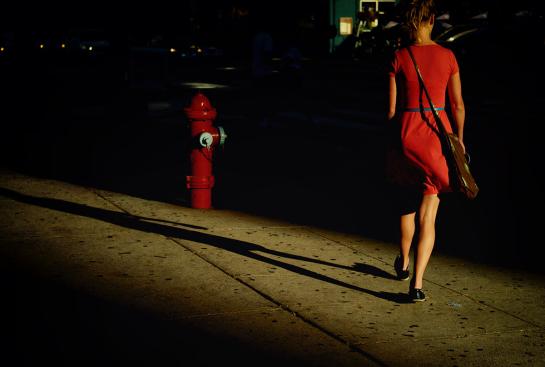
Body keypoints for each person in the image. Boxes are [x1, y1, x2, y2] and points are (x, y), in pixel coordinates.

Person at [386, 0, 466, 302]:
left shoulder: (398, 57)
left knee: (406, 202)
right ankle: (416, 285)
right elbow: (457, 105)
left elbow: (391, 111)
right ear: (431, 20)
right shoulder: (448, 56)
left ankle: (403, 261)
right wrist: (458, 138)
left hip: (406, 136)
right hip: (435, 138)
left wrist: (393, 146)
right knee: (428, 212)